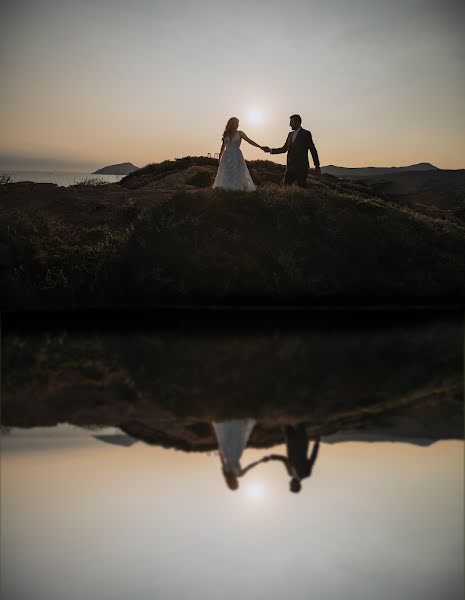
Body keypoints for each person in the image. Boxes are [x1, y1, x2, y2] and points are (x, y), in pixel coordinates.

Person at [262, 114, 321, 188]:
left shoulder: (306, 133)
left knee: (301, 188)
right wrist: (270, 150)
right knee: (285, 188)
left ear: (297, 122)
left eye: (291, 122)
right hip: (290, 168)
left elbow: (312, 149)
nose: (289, 124)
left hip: (302, 167)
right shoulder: (290, 134)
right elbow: (284, 149)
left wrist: (317, 165)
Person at [263, 424, 320, 493]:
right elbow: (313, 457)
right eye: (292, 485)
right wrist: (317, 443)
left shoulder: (290, 473)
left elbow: (283, 459)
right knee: (300, 422)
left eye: (290, 485)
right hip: (301, 441)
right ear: (298, 485)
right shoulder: (306, 473)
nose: (290, 484)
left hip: (290, 441)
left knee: (285, 422)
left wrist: (270, 457)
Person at [212, 117, 265, 191]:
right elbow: (223, 146)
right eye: (236, 123)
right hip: (226, 156)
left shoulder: (240, 133)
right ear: (231, 124)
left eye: (238, 124)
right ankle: (225, 190)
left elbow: (249, 141)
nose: (237, 125)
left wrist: (260, 146)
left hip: (236, 155)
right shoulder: (226, 133)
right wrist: (219, 157)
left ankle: (237, 190)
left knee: (237, 172)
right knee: (226, 173)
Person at [211, 418, 264, 490]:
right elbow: (222, 461)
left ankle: (236, 421)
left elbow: (249, 467)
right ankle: (232, 421)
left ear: (235, 482)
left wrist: (259, 461)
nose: (237, 482)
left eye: (237, 483)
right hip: (228, 453)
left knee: (237, 437)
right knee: (229, 437)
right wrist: (220, 451)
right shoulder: (228, 473)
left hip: (235, 453)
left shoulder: (236, 474)